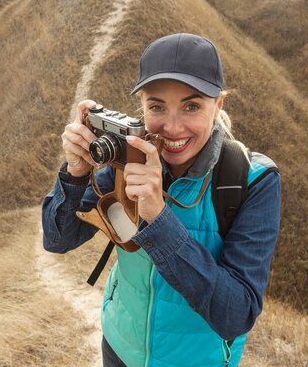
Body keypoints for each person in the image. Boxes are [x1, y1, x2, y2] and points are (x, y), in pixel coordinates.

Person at [42, 33, 281, 367]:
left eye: (192, 106)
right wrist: (76, 172)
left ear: (219, 105)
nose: (171, 127)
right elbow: (57, 240)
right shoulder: (130, 157)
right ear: (142, 106)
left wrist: (159, 219)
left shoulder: (251, 181)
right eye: (156, 106)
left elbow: (235, 314)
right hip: (119, 347)